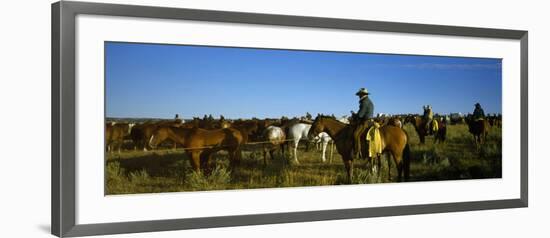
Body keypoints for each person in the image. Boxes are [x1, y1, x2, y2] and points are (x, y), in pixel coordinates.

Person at [353, 88, 374, 159]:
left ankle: (357, 151)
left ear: (362, 94)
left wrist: (354, 115)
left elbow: (360, 115)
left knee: (355, 134)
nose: (359, 96)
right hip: (369, 120)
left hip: (365, 121)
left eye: (359, 94)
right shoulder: (367, 101)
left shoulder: (364, 102)